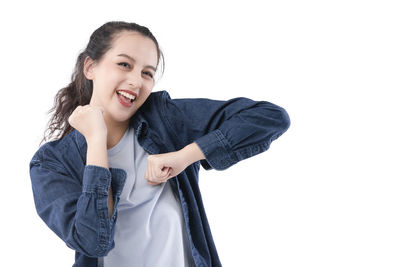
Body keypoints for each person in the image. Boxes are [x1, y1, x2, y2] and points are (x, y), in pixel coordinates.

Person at [29, 21, 291, 267]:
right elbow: (93, 241)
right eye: (124, 64)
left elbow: (270, 117)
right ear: (90, 67)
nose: (136, 81)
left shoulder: (165, 120)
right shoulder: (52, 162)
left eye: (147, 73)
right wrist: (96, 141)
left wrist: (185, 156)